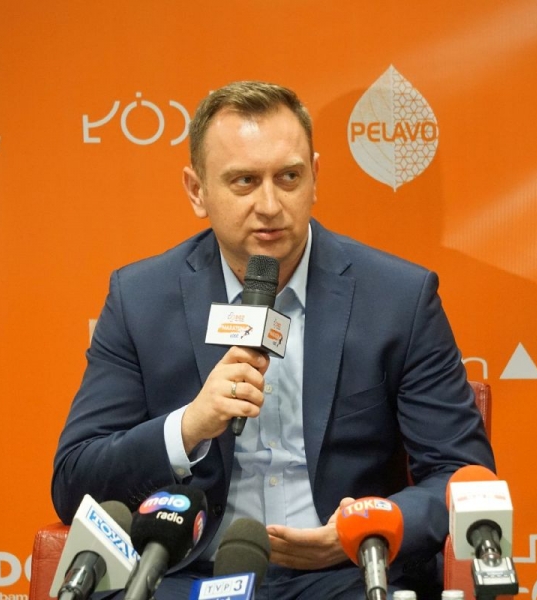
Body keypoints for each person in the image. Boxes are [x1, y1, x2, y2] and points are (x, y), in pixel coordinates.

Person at [52, 80, 495, 599]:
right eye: (244, 181)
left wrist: (372, 524)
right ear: (197, 190)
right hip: (189, 576)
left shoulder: (397, 297)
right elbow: (75, 480)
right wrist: (188, 427)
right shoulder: (141, 299)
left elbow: (462, 477)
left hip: (347, 576)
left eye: (289, 177)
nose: (270, 205)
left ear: (315, 178)